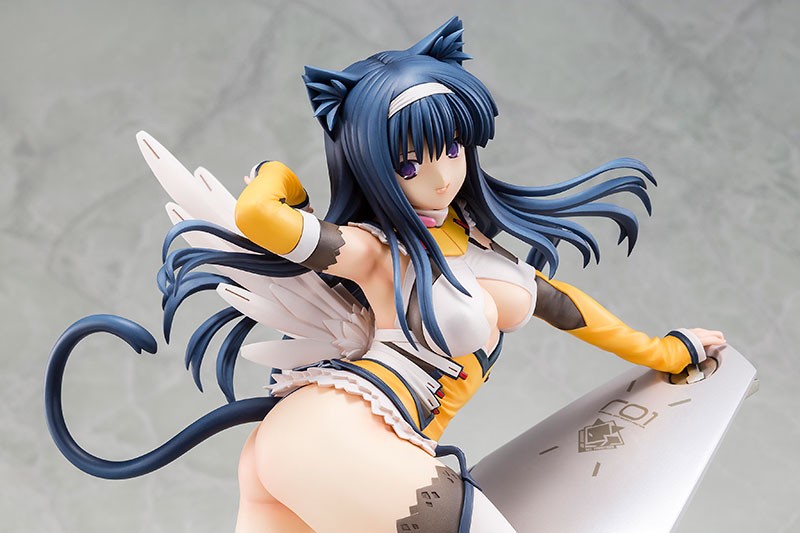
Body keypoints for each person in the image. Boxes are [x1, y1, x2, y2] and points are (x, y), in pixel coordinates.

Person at [45, 16, 725, 532]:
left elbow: (567, 305)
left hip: (313, 446)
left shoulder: (482, 248)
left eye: (450, 148)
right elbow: (256, 215)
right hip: (347, 435)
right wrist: (278, 176)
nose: (440, 175)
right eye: (408, 163)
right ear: (371, 167)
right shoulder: (373, 249)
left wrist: (666, 351)